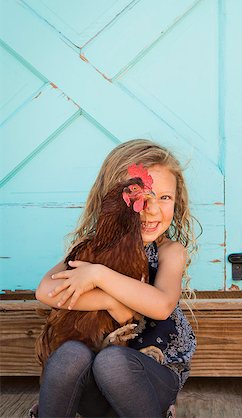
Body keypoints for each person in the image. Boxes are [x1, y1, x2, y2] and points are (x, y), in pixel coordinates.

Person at [32, 139, 199, 418]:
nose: (151, 209)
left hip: (148, 380)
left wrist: (98, 274)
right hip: (94, 389)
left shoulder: (169, 252)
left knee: (111, 362)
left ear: (177, 201)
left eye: (164, 197)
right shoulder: (92, 247)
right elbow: (46, 292)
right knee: (70, 354)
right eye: (139, 198)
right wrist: (111, 300)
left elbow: (160, 305)